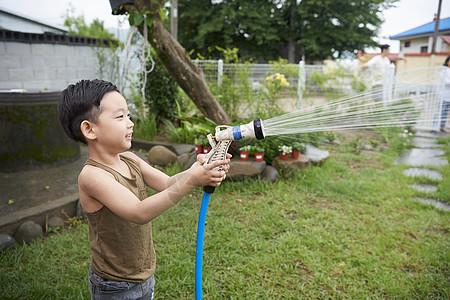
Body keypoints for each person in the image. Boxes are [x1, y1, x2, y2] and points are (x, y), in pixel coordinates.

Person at [57, 79, 231, 299]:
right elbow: (138, 213)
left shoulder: (130, 159)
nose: (130, 123)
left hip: (144, 274)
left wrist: (199, 170)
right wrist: (192, 180)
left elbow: (168, 183)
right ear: (89, 129)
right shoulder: (92, 176)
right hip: (114, 285)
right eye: (120, 117)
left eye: (128, 115)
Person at [440, 56, 450, 133]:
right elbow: (446, 82)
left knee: (446, 112)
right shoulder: (444, 70)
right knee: (441, 111)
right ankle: (436, 126)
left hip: (449, 96)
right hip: (443, 95)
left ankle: (443, 127)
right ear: (447, 61)